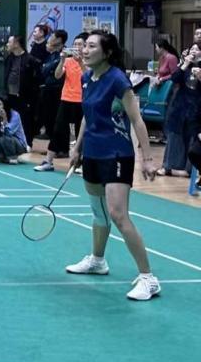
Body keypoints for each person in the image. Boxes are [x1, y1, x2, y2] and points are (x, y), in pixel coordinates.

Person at [66, 31, 161, 302]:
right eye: (84, 46)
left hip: (117, 153)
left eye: (91, 46)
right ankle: (97, 261)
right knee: (99, 213)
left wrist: (148, 158)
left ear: (107, 53)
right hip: (93, 153)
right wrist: (78, 147)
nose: (84, 50)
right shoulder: (87, 78)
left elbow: (137, 120)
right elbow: (88, 116)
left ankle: (148, 278)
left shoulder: (118, 80)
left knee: (118, 214)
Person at [35, 32, 87, 172]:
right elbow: (58, 75)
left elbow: (88, 77)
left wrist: (80, 62)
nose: (77, 47)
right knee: (57, 130)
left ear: (85, 47)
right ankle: (48, 161)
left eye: (80, 45)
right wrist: (62, 60)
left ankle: (82, 163)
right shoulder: (68, 61)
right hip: (66, 98)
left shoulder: (89, 62)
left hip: (82, 101)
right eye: (75, 44)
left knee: (81, 133)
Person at [158, 45, 201, 177]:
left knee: (193, 137)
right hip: (180, 106)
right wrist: (185, 63)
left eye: (197, 50)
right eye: (192, 49)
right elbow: (174, 79)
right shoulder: (185, 66)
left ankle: (189, 170)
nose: (193, 52)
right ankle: (170, 166)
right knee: (175, 136)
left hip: (196, 108)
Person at [2, 35, 39, 139]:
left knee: (25, 120)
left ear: (16, 44)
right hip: (10, 94)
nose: (7, 44)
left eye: (9, 42)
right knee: (10, 118)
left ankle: (27, 142)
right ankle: (12, 139)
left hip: (24, 96)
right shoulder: (9, 58)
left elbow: (36, 79)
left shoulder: (30, 59)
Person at [35, 30, 67, 140]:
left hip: (57, 88)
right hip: (47, 87)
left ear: (59, 39)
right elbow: (44, 69)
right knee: (46, 112)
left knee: (54, 113)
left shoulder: (63, 54)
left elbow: (52, 69)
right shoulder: (51, 54)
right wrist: (48, 68)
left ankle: (53, 135)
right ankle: (48, 132)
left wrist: (48, 68)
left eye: (52, 37)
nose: (49, 39)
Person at [0, 98, 28, 164]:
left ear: (5, 105)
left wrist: (4, 118)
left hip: (19, 145)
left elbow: (8, 132)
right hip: (5, 139)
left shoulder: (15, 115)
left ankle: (12, 157)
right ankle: (1, 155)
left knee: (4, 138)